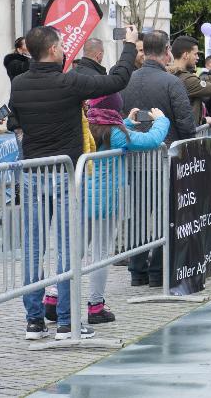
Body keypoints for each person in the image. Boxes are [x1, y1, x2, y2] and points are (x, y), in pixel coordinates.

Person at [11, 23, 138, 340]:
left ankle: (34, 321)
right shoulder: (69, 83)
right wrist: (130, 46)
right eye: (62, 46)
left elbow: (16, 121)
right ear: (53, 50)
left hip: (31, 172)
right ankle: (67, 322)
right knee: (67, 250)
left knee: (33, 248)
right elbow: (117, 80)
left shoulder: (19, 84)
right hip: (65, 172)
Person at [118, 30, 193, 286]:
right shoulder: (172, 83)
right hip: (164, 159)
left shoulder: (126, 81)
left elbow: (119, 116)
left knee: (138, 214)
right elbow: (186, 124)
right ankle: (158, 271)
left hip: (134, 159)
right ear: (167, 50)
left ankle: (137, 270)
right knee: (164, 214)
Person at [82, 106, 169, 324]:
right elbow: (150, 140)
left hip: (80, 199)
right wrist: (161, 120)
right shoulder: (116, 135)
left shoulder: (86, 129)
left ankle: (53, 297)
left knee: (74, 251)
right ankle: (96, 304)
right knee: (101, 253)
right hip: (105, 202)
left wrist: (127, 122)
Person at [73, 38, 123, 113]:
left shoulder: (70, 74)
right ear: (99, 55)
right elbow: (117, 105)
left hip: (73, 122)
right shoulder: (100, 79)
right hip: (95, 122)